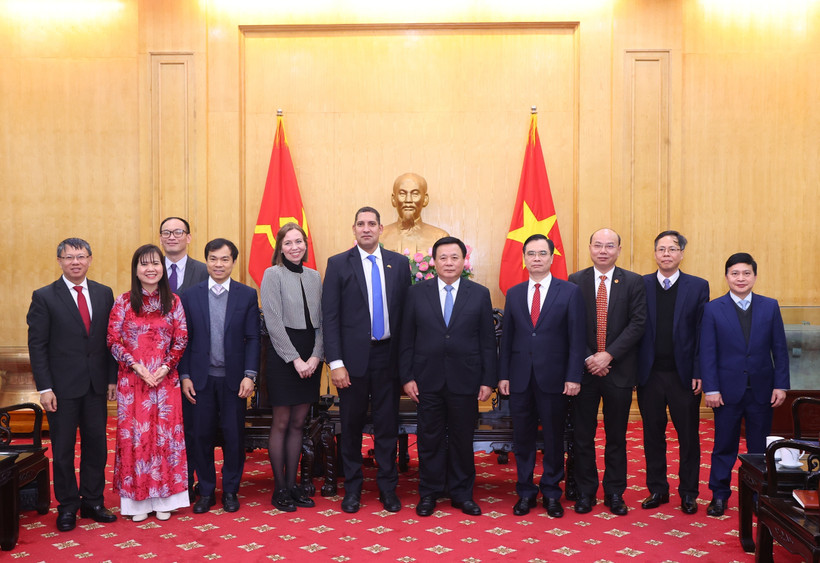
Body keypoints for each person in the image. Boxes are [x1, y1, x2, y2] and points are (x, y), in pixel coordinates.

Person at [321, 206, 411, 514]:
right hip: (351, 362)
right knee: (351, 427)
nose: (366, 228)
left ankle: (388, 489)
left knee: (387, 426)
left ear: (381, 229)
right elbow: (329, 317)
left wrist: (406, 363)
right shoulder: (337, 264)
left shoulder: (399, 264)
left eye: (372, 223)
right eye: (361, 224)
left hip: (388, 358)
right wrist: (335, 363)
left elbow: (406, 317)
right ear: (354, 229)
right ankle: (353, 490)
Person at [400, 236, 498, 517]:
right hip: (426, 380)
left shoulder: (478, 293)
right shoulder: (417, 293)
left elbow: (487, 342)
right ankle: (429, 493)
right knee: (428, 438)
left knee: (461, 438)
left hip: (465, 380)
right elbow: (407, 339)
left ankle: (462, 493)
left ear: (464, 260)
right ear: (433, 261)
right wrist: (407, 377)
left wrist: (487, 380)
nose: (449, 263)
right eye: (443, 257)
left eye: (454, 257)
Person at [27, 238, 118, 532]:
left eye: (80, 256)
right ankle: (67, 505)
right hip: (61, 390)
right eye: (69, 257)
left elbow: (111, 341)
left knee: (97, 446)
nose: (75, 262)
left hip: (95, 386)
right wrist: (45, 388)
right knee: (64, 450)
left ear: (90, 258)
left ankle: (92, 500)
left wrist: (112, 378)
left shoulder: (104, 294)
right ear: (60, 261)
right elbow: (37, 346)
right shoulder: (44, 297)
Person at [498, 234, 586, 518]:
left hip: (555, 379)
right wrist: (503, 376)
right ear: (524, 259)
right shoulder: (513, 293)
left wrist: (574, 376)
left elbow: (576, 339)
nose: (536, 258)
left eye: (542, 253)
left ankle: (551, 492)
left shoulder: (569, 291)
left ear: (551, 257)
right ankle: (524, 492)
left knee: (552, 438)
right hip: (520, 379)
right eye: (531, 254)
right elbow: (507, 339)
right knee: (522, 440)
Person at [700, 252, 789, 517]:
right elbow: (707, 352)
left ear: (755, 276)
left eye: (746, 273)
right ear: (726, 277)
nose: (741, 278)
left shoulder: (770, 306)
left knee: (759, 449)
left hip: (762, 390)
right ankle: (719, 495)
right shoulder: (713, 308)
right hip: (726, 392)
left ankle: (758, 498)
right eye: (735, 273)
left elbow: (780, 350)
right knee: (723, 445)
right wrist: (711, 388)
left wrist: (781, 385)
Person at [107, 244, 189, 522]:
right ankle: (137, 504)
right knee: (136, 440)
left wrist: (166, 367)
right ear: (136, 269)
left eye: (155, 263)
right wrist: (136, 366)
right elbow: (113, 340)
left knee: (165, 440)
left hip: (166, 382)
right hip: (133, 381)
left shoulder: (174, 302)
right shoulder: (123, 301)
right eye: (144, 264)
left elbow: (182, 339)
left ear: (163, 269)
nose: (150, 268)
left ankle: (166, 499)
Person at [567, 228, 646, 516]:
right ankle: (586, 492)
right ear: (589, 248)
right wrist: (590, 357)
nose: (603, 250)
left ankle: (614, 492)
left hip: (619, 370)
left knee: (617, 436)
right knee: (583, 436)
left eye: (609, 245)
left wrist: (608, 355)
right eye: (598, 245)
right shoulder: (576, 281)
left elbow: (638, 324)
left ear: (619, 249)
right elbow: (571, 324)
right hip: (585, 372)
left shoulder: (634, 282)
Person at [179, 238, 261, 514]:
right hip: (200, 381)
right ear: (206, 261)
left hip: (234, 381)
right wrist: (185, 375)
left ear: (233, 262)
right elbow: (184, 341)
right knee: (200, 436)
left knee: (233, 437)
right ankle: (205, 491)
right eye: (213, 259)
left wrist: (250, 375)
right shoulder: (189, 296)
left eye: (224, 259)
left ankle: (230, 491)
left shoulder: (246, 295)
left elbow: (253, 338)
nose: (218, 264)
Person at [636, 231, 709, 515]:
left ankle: (689, 493)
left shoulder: (698, 286)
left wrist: (699, 370)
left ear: (681, 254)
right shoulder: (640, 285)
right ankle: (657, 489)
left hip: (684, 376)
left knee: (688, 437)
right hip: (649, 375)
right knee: (652, 434)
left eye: (672, 249)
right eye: (661, 249)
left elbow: (703, 333)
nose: (666, 254)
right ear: (654, 254)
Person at [260, 223, 323, 512]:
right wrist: (295, 359)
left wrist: (315, 357)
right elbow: (272, 321)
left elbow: (323, 321)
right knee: (282, 423)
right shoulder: (272, 274)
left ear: (305, 244)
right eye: (288, 243)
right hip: (284, 357)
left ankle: (294, 484)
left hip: (311, 356)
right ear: (280, 247)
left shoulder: (314, 276)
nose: (295, 247)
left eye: (299, 241)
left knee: (300, 423)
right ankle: (280, 488)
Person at [159, 216, 208, 501]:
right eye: (166, 232)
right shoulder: (150, 271)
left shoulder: (205, 270)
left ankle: (194, 484)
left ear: (189, 237)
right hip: (156, 364)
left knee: (194, 428)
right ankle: (167, 484)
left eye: (178, 232)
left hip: (195, 362)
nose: (172, 237)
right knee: (162, 429)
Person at [380, 173, 449, 255]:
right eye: (402, 194)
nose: (408, 200)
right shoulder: (380, 237)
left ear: (425, 199)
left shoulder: (439, 237)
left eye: (415, 194)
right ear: (394, 199)